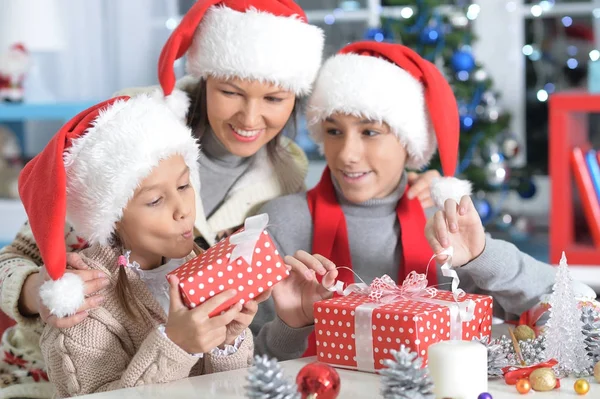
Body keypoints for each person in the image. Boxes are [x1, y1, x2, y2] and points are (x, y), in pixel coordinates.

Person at [252, 41, 558, 360]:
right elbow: (234, 367)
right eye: (333, 131)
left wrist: (480, 256)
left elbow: (563, 301)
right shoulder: (282, 223)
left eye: (370, 132)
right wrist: (290, 327)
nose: (346, 154)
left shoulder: (441, 224)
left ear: (409, 142)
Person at [18, 90, 261, 397]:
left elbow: (229, 391)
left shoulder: (201, 266)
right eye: (156, 200)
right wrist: (176, 346)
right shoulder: (84, 308)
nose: (183, 209)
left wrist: (228, 343)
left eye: (184, 185)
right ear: (112, 215)